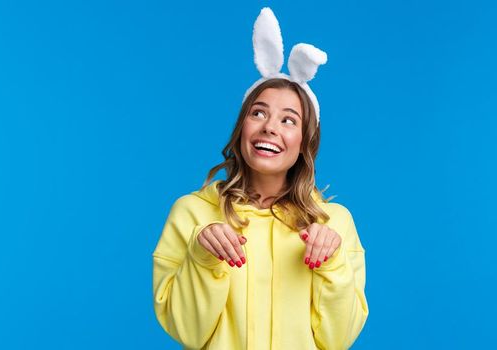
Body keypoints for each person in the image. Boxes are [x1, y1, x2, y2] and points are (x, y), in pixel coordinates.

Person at [152, 8, 368, 349]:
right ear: (242, 128)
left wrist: (334, 264)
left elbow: (338, 340)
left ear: (304, 142)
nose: (269, 127)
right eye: (259, 113)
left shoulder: (335, 223)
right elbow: (187, 333)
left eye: (289, 120)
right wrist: (202, 255)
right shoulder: (191, 213)